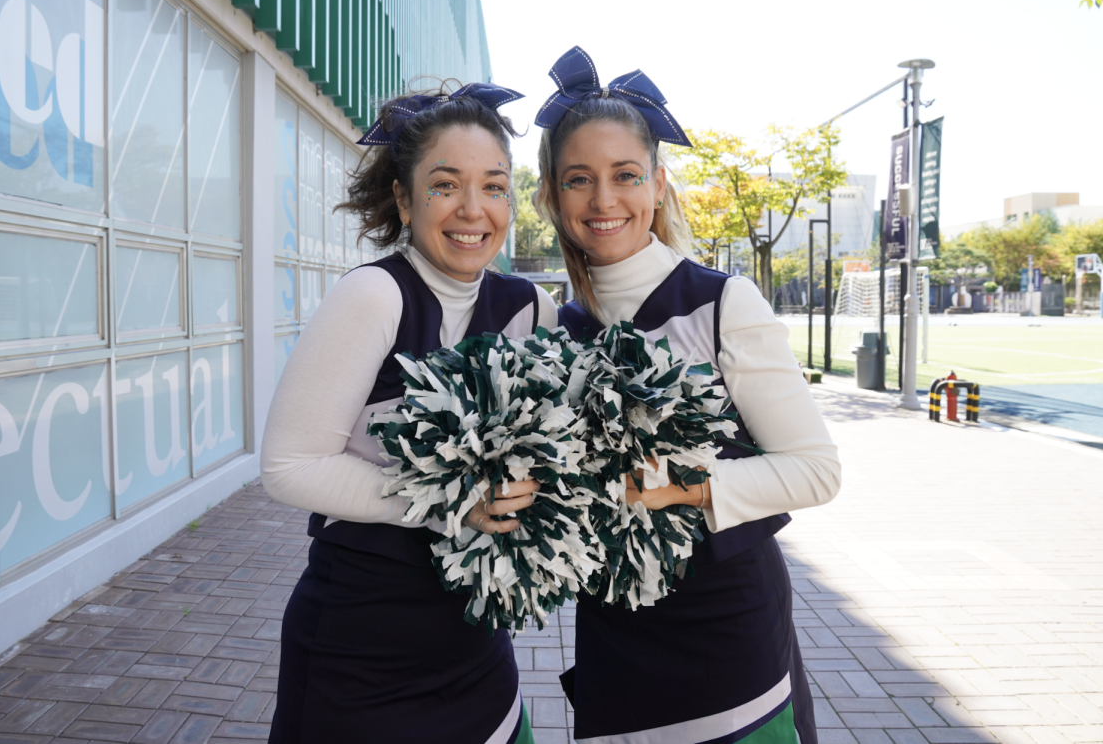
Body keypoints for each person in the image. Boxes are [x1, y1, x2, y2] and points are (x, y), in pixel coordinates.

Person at [532, 47, 842, 744]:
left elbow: (817, 470)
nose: (603, 200)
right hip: (613, 634)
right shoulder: (558, 327)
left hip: (725, 637)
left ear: (659, 184)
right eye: (578, 179)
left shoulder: (722, 302)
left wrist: (686, 485)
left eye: (625, 175)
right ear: (552, 195)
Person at [261, 82, 558, 744]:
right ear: (403, 198)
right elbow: (288, 466)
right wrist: (453, 499)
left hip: (478, 648)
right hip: (361, 656)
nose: (473, 210)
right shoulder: (375, 295)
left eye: (495, 186)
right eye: (446, 185)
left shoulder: (530, 309)